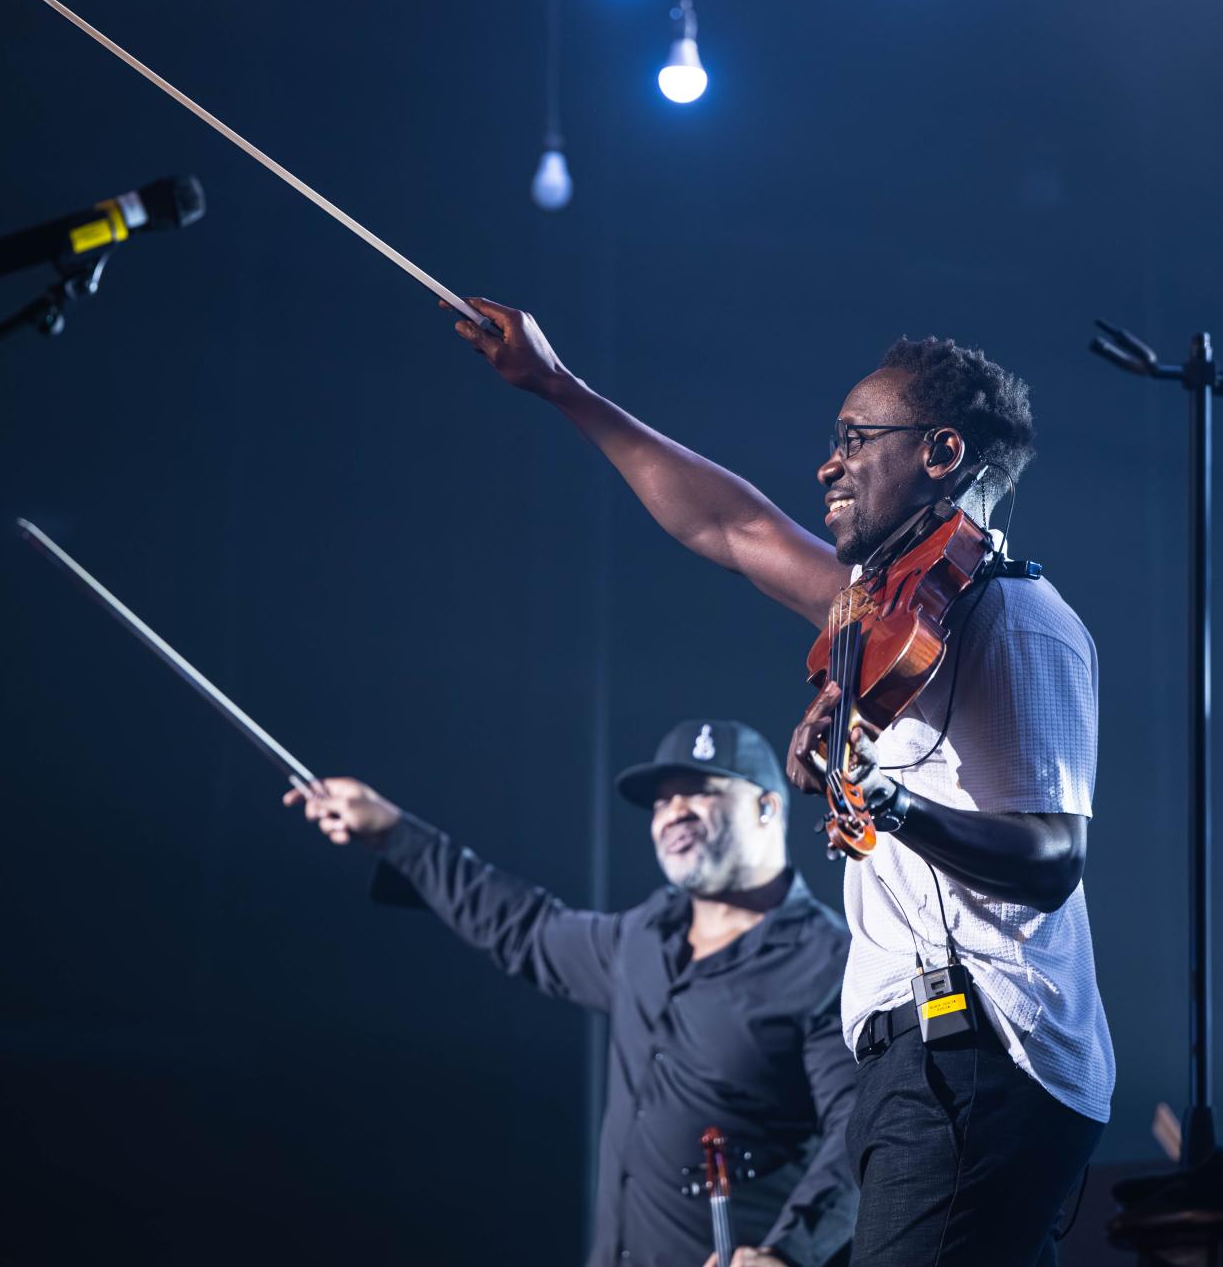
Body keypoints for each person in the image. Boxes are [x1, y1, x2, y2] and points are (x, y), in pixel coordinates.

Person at [449, 299, 1110, 1265]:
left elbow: (1051, 859)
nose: (827, 466)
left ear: (941, 452)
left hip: (978, 1053)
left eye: (853, 440)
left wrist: (888, 801)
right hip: (918, 1062)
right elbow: (730, 525)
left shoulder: (1018, 620)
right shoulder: (893, 614)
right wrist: (560, 387)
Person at [291, 719, 858, 1267]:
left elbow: (858, 1129)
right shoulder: (643, 937)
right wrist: (394, 832)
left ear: (767, 807)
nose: (673, 812)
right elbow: (523, 924)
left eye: (700, 791)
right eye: (662, 801)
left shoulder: (827, 965)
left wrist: (788, 1253)